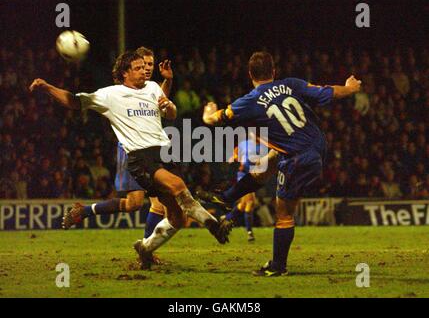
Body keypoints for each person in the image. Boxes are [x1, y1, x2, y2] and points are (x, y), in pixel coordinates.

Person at [29, 50, 232, 270]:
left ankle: (145, 248)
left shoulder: (153, 87)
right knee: (178, 187)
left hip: (164, 151)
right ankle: (215, 226)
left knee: (177, 218)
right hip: (140, 156)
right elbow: (74, 101)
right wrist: (47, 87)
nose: (144, 70)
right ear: (125, 73)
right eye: (137, 68)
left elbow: (171, 114)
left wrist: (169, 105)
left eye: (145, 67)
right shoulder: (110, 94)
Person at [202, 51, 361, 276]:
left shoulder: (248, 101)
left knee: (284, 214)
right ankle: (227, 198)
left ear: (250, 74)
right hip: (317, 145)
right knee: (266, 165)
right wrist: (350, 88)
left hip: (298, 158)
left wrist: (207, 113)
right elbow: (328, 91)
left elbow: (215, 119)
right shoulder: (292, 84)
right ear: (274, 71)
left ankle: (278, 267)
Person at [62, 48, 173, 256]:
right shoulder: (122, 91)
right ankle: (146, 251)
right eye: (143, 65)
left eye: (150, 65)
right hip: (132, 151)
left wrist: (168, 82)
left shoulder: (151, 88)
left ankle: (84, 212)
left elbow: (162, 105)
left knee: (138, 204)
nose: (148, 69)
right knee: (145, 204)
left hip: (152, 151)